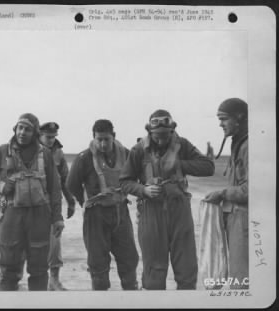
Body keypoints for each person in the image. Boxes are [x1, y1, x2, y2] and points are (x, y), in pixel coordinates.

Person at [119, 110, 214, 290]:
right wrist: (143, 190)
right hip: (150, 211)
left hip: (179, 209)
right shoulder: (138, 150)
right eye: (157, 136)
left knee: (186, 270)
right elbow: (124, 181)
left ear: (172, 130)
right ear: (149, 131)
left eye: (165, 135)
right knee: (154, 271)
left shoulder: (182, 145)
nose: (161, 140)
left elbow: (208, 167)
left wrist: (179, 163)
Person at [0, 113, 64, 291]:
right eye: (20, 127)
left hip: (39, 217)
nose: (22, 132)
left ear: (35, 133)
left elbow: (55, 188)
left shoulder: (45, 154)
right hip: (10, 216)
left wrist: (58, 217)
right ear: (15, 129)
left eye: (28, 129)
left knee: (39, 270)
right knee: (8, 269)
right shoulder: (1, 151)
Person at [67, 119, 139, 290]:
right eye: (99, 139)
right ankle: (101, 298)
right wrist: (84, 202)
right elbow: (71, 184)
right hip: (96, 215)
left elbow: (135, 177)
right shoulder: (84, 158)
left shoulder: (127, 155)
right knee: (98, 261)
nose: (103, 143)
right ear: (93, 138)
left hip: (121, 212)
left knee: (129, 258)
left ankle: (131, 296)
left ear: (113, 136)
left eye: (106, 139)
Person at [204, 98, 248, 289]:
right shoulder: (239, 142)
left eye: (224, 119)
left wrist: (222, 193)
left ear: (239, 117)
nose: (220, 124)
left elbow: (251, 190)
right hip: (236, 219)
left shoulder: (248, 146)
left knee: (242, 281)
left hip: (245, 220)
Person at [39, 122, 76, 291]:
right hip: (33, 204)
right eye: (48, 137)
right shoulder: (31, 151)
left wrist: (71, 201)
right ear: (40, 135)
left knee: (55, 243)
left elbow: (65, 179)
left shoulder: (58, 153)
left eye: (54, 137)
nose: (51, 140)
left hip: (53, 205)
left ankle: (54, 280)